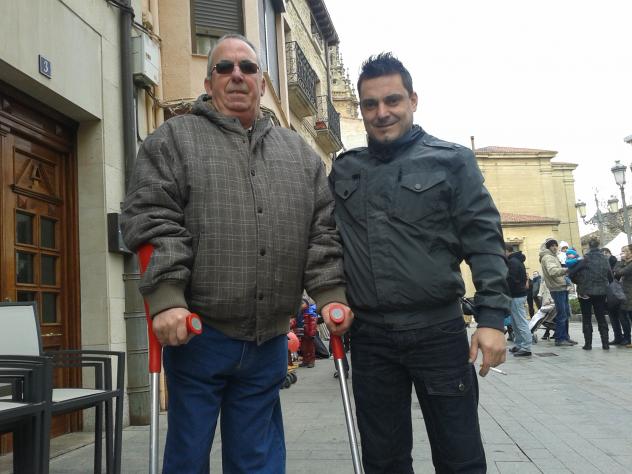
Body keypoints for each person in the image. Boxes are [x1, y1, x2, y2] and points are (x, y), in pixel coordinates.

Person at [120, 34, 352, 473]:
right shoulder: (173, 140)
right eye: (224, 68)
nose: (237, 75)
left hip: (268, 342)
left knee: (256, 460)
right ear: (209, 83)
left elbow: (321, 233)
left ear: (261, 83)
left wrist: (330, 295)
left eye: (248, 67)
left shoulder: (300, 155)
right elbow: (152, 217)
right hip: (198, 336)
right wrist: (167, 299)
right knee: (188, 458)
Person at [330, 52, 510, 474]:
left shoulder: (452, 161)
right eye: (370, 104)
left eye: (392, 100)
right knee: (383, 462)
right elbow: (326, 241)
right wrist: (330, 298)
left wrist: (491, 320)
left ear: (412, 100)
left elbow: (484, 241)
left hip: (438, 333)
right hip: (371, 339)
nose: (382, 112)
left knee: (460, 458)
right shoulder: (344, 170)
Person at [567, 238, 611, 350]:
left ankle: (588, 344)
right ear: (598, 245)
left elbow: (571, 273)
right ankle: (605, 344)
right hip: (601, 292)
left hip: (585, 292)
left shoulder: (585, 259)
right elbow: (610, 276)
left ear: (589, 246)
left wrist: (579, 282)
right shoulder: (605, 259)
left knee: (586, 317)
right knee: (601, 316)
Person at [539, 238, 576, 347]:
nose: (555, 247)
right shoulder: (548, 257)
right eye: (552, 246)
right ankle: (560, 339)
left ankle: (565, 337)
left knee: (565, 313)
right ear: (548, 247)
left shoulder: (553, 256)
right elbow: (552, 271)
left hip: (561, 287)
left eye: (556, 245)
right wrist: (566, 270)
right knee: (562, 314)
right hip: (557, 288)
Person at [506, 247, 532, 357]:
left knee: (520, 322)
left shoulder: (512, 262)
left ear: (507, 251)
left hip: (516, 295)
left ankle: (526, 347)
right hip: (517, 294)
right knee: (515, 322)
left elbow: (511, 279)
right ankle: (520, 344)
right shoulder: (516, 260)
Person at [603, 247, 624, 344]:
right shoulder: (608, 264)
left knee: (621, 317)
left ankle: (624, 337)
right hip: (612, 293)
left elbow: (616, 275)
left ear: (608, 253)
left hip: (616, 293)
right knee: (614, 316)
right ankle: (619, 337)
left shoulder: (617, 263)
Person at [613, 245, 632, 347]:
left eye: (624, 251)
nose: (622, 253)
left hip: (630, 294)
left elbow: (620, 272)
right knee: (623, 317)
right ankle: (627, 338)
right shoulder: (626, 263)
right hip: (624, 294)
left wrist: (620, 261)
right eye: (622, 251)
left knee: (628, 316)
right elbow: (615, 273)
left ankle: (628, 339)